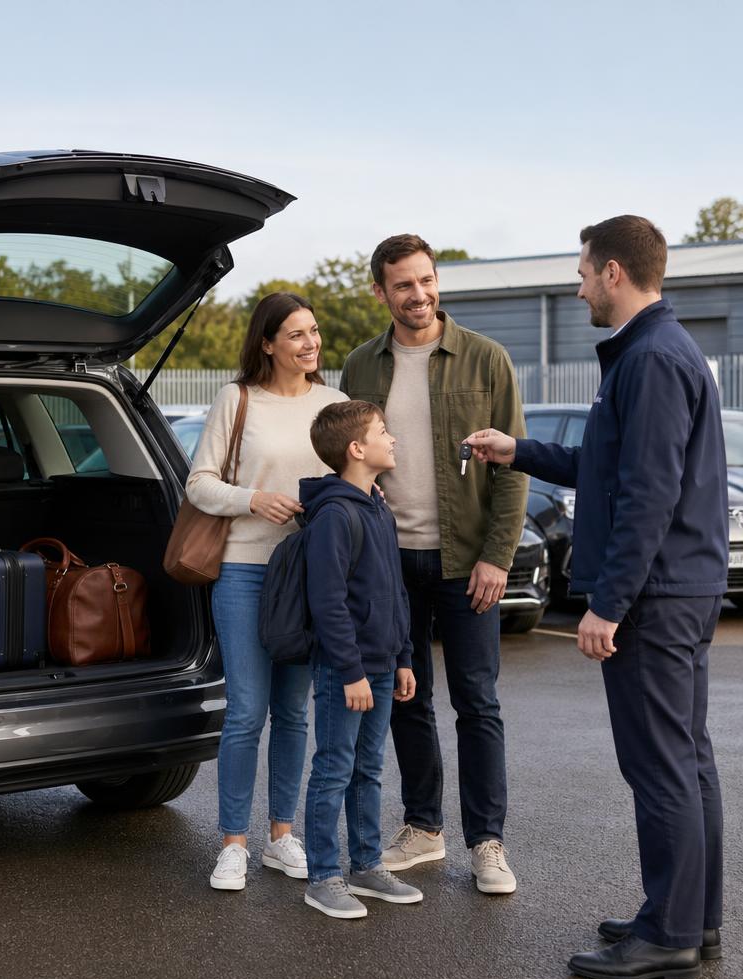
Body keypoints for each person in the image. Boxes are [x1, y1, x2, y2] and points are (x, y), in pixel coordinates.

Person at [466, 215, 727, 979]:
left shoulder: (649, 358)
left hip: (657, 596)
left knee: (661, 768)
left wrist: (608, 604)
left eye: (583, 273)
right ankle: (690, 918)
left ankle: (671, 931)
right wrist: (517, 449)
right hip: (684, 586)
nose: (578, 287)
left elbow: (648, 495)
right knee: (687, 762)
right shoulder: (659, 353)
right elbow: (608, 464)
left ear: (614, 272)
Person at [339, 234, 528, 894]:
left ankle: (487, 841)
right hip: (390, 564)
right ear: (381, 292)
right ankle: (423, 828)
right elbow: (346, 465)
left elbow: (513, 469)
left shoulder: (486, 359)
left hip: (467, 563)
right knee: (405, 695)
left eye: (426, 281)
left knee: (478, 701)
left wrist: (497, 558)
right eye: (402, 285)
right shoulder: (361, 367)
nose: (417, 295)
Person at [186, 292, 348, 891]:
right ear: (267, 343)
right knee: (247, 710)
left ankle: (282, 836)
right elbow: (199, 482)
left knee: (294, 713)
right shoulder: (238, 399)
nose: (311, 344)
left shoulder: (335, 405)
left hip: (309, 575)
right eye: (297, 334)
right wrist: (252, 498)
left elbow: (354, 480)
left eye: (314, 332)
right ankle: (233, 843)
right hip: (245, 567)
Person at [299, 401, 422, 918]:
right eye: (382, 432)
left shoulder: (378, 506)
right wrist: (350, 671)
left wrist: (404, 656)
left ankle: (367, 865)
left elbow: (394, 590)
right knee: (334, 769)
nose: (391, 439)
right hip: (344, 670)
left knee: (368, 769)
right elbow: (326, 601)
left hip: (383, 660)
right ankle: (323, 876)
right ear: (356, 449)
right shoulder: (334, 514)